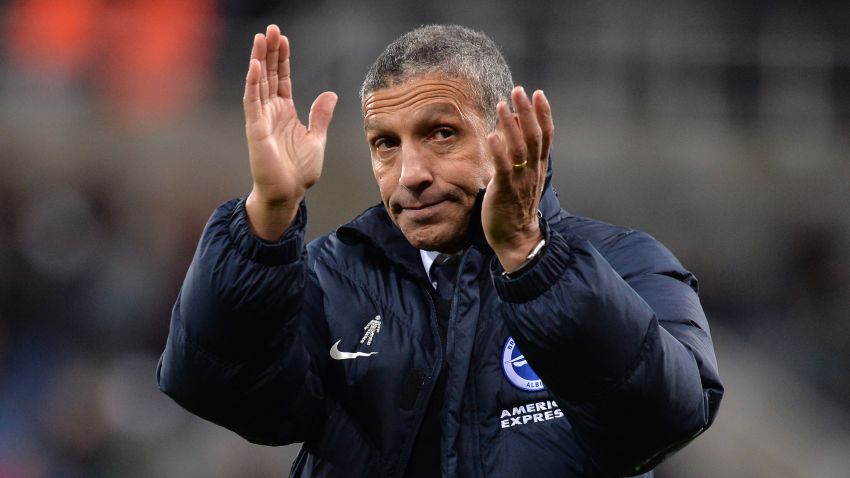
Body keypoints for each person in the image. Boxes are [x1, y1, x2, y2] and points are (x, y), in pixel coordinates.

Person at [157, 24, 723, 477]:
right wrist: (268, 217)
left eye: (441, 134)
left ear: (507, 135)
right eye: (386, 144)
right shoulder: (333, 277)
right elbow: (214, 386)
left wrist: (532, 260)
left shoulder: (624, 263)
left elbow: (667, 419)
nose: (411, 175)